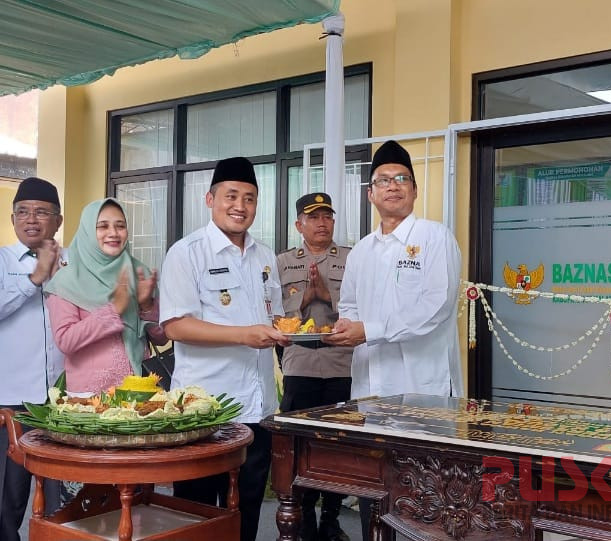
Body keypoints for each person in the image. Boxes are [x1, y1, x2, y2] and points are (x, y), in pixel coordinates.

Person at [322, 140, 464, 539]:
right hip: (371, 388)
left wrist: (368, 330)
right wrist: (342, 330)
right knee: (375, 487)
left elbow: (436, 307)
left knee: (428, 493)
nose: (393, 186)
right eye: (383, 180)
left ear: (414, 190)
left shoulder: (435, 238)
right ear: (371, 194)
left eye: (402, 179)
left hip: (424, 388)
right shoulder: (361, 251)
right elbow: (350, 306)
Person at [159, 156, 289, 541]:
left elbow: (275, 316)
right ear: (210, 199)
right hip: (205, 411)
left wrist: (296, 331)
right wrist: (244, 335)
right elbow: (176, 326)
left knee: (246, 512)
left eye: (249, 198)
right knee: (197, 516)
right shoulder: (187, 252)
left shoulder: (265, 256)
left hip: (258, 409)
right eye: (231, 196)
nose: (240, 206)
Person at [277, 192, 353, 541]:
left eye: (327, 216)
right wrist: (304, 299)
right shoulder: (282, 262)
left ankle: (331, 518)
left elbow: (363, 307)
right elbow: (272, 312)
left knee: (338, 446)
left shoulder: (352, 259)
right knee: (300, 446)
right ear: (299, 225)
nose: (323, 223)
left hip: (341, 365)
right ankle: (304, 516)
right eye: (314, 217)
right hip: (301, 365)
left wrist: (328, 297)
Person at [45, 198, 165, 396]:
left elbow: (161, 338)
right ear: (87, 231)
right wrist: (113, 310)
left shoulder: (138, 273)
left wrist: (147, 305)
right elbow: (66, 341)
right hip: (90, 398)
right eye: (102, 226)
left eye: (120, 226)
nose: (113, 233)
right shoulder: (67, 280)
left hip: (140, 391)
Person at [0, 177, 65, 541]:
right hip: (9, 403)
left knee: (61, 501)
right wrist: (35, 278)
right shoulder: (1, 260)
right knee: (5, 500)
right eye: (23, 212)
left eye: (41, 212)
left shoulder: (73, 262)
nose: (31, 219)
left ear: (58, 220)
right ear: (13, 219)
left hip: (62, 404)